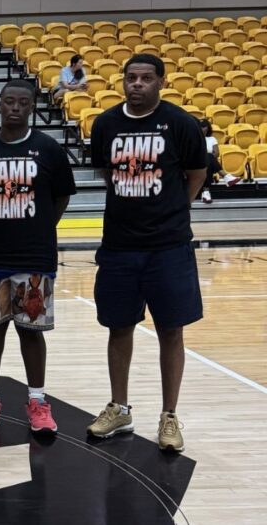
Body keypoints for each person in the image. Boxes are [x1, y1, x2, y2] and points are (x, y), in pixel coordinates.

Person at [86, 54, 206, 453]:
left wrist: (175, 209)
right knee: (118, 327)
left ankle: (169, 415)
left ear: (161, 82)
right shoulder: (105, 124)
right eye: (131, 77)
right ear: (123, 81)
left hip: (168, 246)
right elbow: (108, 174)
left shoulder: (181, 123)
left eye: (146, 78)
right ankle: (119, 408)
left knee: (171, 330)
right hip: (119, 245)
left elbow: (196, 174)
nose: (137, 84)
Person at [0, 80, 77, 435]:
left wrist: (41, 226)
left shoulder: (48, 149)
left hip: (34, 257)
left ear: (32, 107)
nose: (15, 107)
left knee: (31, 331)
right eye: (9, 101)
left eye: (22, 103)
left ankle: (38, 402)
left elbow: (61, 196)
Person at [197, 118, 241, 203]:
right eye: (200, 126)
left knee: (208, 160)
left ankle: (206, 193)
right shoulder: (193, 138)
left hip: (207, 164)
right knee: (208, 156)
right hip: (195, 163)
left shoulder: (212, 139)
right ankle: (226, 176)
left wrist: (205, 156)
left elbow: (216, 153)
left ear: (208, 128)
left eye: (203, 126)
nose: (201, 128)